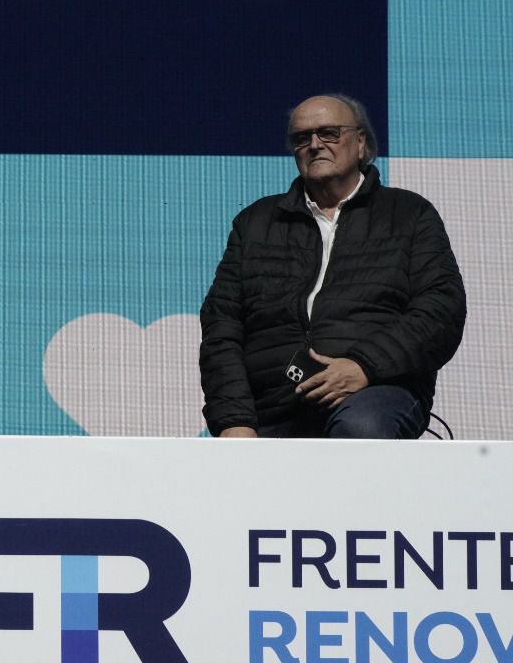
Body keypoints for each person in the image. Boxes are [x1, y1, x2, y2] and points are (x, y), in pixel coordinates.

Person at [199, 94, 465, 438]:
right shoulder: (255, 223)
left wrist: (364, 367)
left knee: (362, 427)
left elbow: (441, 310)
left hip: (375, 392)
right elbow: (222, 328)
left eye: (328, 133)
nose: (314, 145)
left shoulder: (409, 214)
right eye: (301, 137)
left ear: (360, 143)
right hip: (271, 404)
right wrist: (234, 421)